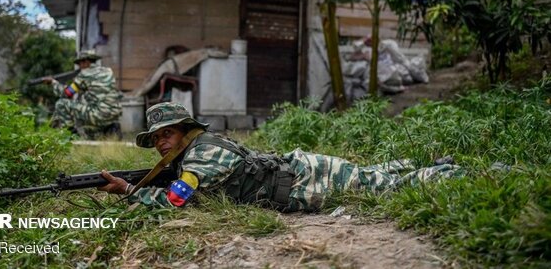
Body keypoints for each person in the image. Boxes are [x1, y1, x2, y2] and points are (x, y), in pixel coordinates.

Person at [98, 102, 462, 212]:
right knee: (370, 175)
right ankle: (434, 166)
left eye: (168, 134)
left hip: (306, 179)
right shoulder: (191, 153)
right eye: (157, 138)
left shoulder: (203, 154)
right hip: (296, 172)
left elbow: (177, 199)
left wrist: (131, 191)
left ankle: (457, 175)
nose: (162, 143)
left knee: (384, 188)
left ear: (185, 131)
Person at [43, 50, 122, 136]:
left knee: (61, 104)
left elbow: (67, 93)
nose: (79, 67)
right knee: (86, 102)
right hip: (114, 114)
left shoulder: (85, 74)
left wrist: (53, 83)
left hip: (99, 115)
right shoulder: (108, 71)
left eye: (80, 63)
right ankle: (109, 128)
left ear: (86, 62)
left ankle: (71, 135)